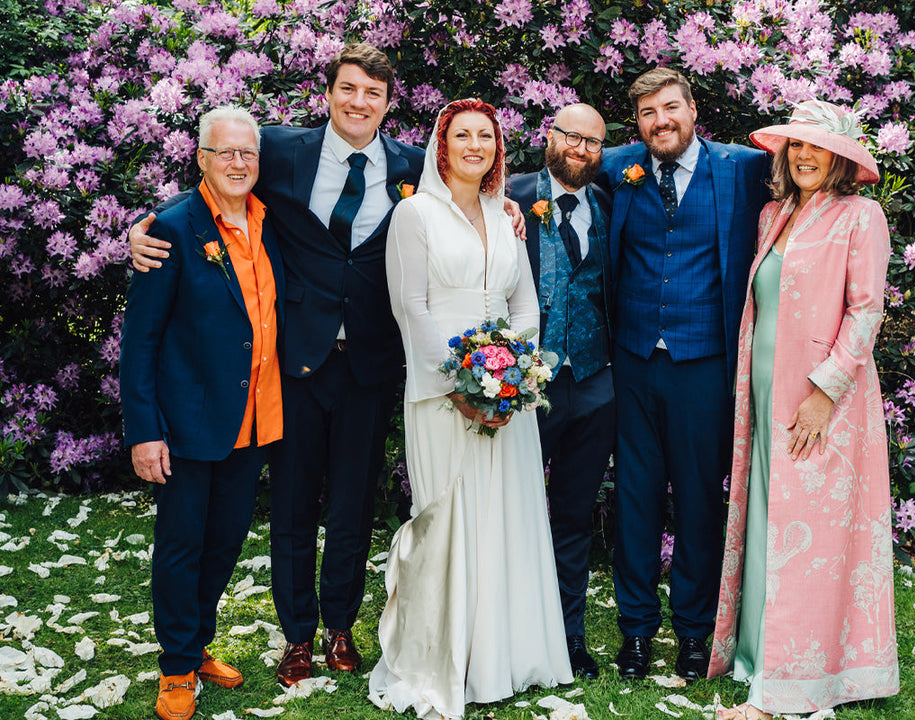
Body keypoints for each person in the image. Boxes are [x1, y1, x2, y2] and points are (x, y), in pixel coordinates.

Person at [128, 44, 527, 687]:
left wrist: (508, 205)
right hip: (296, 365)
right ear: (330, 93)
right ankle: (297, 636)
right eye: (348, 89)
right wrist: (145, 228)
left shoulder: (408, 165)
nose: (359, 102)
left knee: (353, 504)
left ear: (389, 104)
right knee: (291, 506)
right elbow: (218, 183)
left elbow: (468, 192)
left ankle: (341, 625)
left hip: (371, 364)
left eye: (373, 93)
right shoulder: (282, 151)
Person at [369, 98, 572, 720]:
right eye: (463, 135)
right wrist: (459, 387)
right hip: (440, 394)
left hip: (506, 397)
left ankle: (505, 656)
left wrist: (514, 380)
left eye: (486, 135)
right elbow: (412, 307)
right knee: (449, 518)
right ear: (442, 146)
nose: (476, 145)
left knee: (505, 517)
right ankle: (444, 660)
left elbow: (526, 306)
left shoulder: (503, 214)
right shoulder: (414, 215)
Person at [709, 100, 899, 720]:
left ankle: (788, 689)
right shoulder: (774, 215)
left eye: (817, 146)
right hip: (764, 395)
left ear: (841, 157)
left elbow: (866, 310)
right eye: (796, 146)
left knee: (810, 540)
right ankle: (761, 660)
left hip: (825, 404)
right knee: (768, 524)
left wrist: (824, 393)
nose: (805, 155)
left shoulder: (861, 216)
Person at [596, 68, 769, 681]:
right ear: (636, 122)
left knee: (699, 503)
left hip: (705, 366)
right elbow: (553, 182)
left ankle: (695, 634)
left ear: (693, 110)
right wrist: (510, 204)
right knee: (635, 502)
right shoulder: (617, 166)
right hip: (635, 363)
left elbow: (809, 196)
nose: (660, 122)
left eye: (670, 108)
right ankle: (637, 631)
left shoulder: (742, 168)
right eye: (647, 113)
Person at [119, 106, 285, 720]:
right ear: (201, 159)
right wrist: (144, 432)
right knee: (183, 546)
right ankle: (175, 667)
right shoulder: (169, 228)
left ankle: (196, 643)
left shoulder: (271, 221)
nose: (239, 164)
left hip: (253, 422)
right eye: (226, 153)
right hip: (187, 424)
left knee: (224, 544)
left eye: (249, 154)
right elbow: (140, 341)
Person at [507, 103, 615, 679]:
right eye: (572, 136)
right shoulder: (509, 197)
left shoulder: (608, 202)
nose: (581, 149)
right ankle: (511, 631)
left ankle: (569, 637)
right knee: (513, 512)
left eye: (594, 142)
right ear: (550, 137)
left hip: (594, 386)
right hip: (524, 389)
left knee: (574, 516)